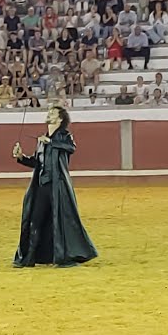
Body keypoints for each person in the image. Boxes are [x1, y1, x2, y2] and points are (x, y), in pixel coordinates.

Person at [10, 106, 98, 268]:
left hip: (59, 188)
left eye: (53, 113)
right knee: (35, 220)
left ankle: (64, 257)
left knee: (62, 221)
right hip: (43, 186)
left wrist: (51, 141)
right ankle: (29, 258)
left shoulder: (65, 136)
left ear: (60, 119)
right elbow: (37, 163)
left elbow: (71, 148)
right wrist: (21, 157)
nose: (49, 114)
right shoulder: (42, 140)